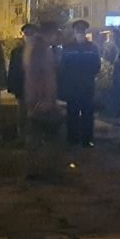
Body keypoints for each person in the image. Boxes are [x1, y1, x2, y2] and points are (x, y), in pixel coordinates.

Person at [24, 21, 63, 178]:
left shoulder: (38, 47)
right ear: (50, 33)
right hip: (41, 100)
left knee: (39, 136)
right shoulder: (40, 50)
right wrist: (45, 99)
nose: (56, 37)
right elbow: (39, 76)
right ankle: (43, 171)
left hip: (38, 99)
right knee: (47, 136)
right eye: (55, 33)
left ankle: (38, 170)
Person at [58, 19, 103, 147]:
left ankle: (87, 140)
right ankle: (72, 139)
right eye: (78, 29)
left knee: (87, 114)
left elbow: (97, 66)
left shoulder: (92, 47)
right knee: (72, 114)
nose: (80, 31)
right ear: (74, 31)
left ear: (85, 31)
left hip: (87, 86)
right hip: (72, 87)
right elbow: (62, 67)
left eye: (82, 29)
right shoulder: (67, 47)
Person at [6, 23, 36, 145]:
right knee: (22, 114)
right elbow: (13, 70)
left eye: (31, 33)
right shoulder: (17, 52)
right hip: (22, 88)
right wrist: (12, 87)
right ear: (23, 35)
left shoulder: (40, 51)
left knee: (34, 115)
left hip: (36, 89)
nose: (28, 36)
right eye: (26, 34)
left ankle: (34, 137)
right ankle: (22, 137)